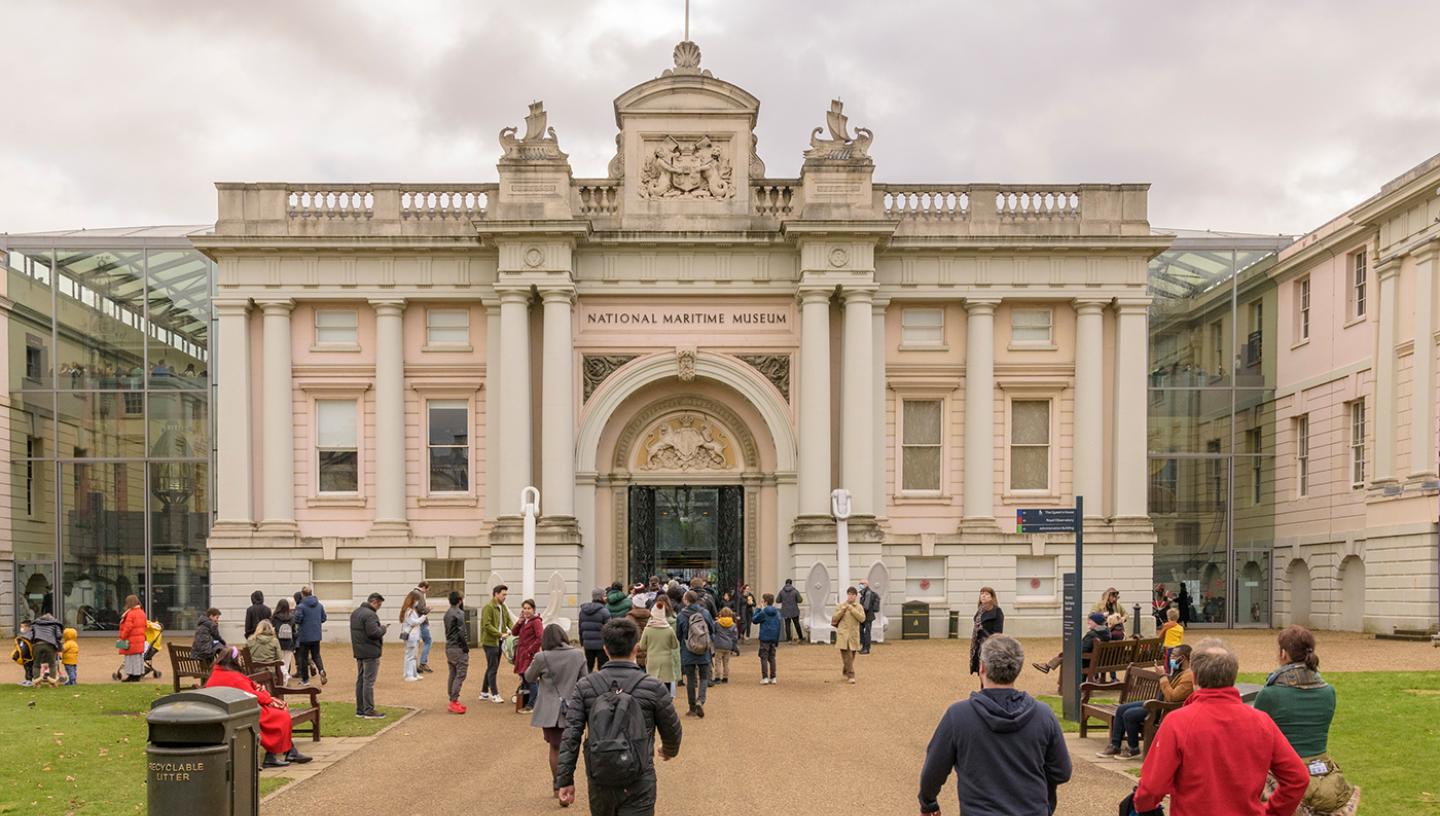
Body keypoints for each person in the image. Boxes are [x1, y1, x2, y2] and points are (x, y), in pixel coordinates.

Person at [1131, 638, 1308, 816]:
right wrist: (1272, 812)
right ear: (1233, 675)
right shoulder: (1262, 722)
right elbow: (1297, 778)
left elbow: (1151, 788)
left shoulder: (1178, 722)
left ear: (1195, 676)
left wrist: (1144, 808)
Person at [917, 635, 1072, 816]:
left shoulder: (959, 715)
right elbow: (1061, 771)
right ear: (1018, 669)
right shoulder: (1043, 714)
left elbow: (934, 770)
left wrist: (928, 804)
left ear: (982, 668)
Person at [555, 617, 683, 814]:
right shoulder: (653, 686)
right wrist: (668, 750)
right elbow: (672, 729)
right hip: (639, 775)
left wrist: (565, 780)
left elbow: (571, 734)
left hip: (600, 776)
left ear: (605, 649)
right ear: (636, 648)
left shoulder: (586, 686)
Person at [1254, 626, 1358, 815]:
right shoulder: (1329, 692)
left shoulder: (1270, 694)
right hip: (1325, 773)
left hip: (1283, 775)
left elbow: (1254, 738)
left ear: (1283, 653)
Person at [205, 646, 313, 768]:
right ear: (233, 661)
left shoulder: (219, 673)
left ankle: (289, 752)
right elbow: (251, 694)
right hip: (241, 712)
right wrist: (267, 699)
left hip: (236, 709)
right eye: (239, 658)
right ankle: (273, 756)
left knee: (279, 714)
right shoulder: (232, 677)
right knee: (280, 716)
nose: (241, 661)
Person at [1097, 644, 1193, 759]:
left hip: (1163, 708)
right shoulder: (1178, 671)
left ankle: (1133, 749)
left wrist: (1162, 676)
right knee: (1121, 708)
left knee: (1129, 714)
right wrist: (1165, 675)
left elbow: (1172, 697)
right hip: (1158, 702)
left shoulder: (1189, 676)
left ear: (1182, 658)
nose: (1170, 659)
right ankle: (1115, 745)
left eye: (1173, 656)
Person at [525, 623, 587, 800]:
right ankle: (568, 783)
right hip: (574, 707)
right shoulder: (578, 655)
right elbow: (585, 680)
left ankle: (557, 786)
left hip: (550, 710)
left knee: (555, 747)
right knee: (571, 747)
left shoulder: (541, 657)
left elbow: (529, 677)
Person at [675, 591, 716, 717]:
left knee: (691, 680)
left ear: (686, 600)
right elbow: (712, 630)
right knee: (704, 677)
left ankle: (692, 708)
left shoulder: (681, 615)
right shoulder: (704, 612)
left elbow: (679, 635)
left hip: (688, 650)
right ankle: (700, 700)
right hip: (703, 649)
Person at [1033, 611, 1111, 676]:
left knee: (1066, 655)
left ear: (1096, 622)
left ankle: (1048, 666)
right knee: (1065, 654)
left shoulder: (1092, 634)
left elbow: (1083, 649)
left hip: (1088, 662)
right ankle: (1048, 666)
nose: (1088, 622)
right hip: (1100, 661)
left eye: (1090, 620)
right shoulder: (1106, 633)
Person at [349, 592, 388, 719]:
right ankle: (369, 710)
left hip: (359, 650)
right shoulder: (370, 615)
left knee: (361, 680)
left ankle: (360, 709)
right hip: (370, 651)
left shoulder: (356, 613)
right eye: (379, 605)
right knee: (368, 681)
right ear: (375, 602)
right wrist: (383, 629)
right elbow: (373, 633)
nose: (379, 607)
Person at [639, 594, 680, 696]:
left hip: (652, 658)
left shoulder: (648, 628)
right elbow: (675, 645)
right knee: (666, 684)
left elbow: (642, 646)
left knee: (652, 684)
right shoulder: (669, 629)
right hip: (666, 659)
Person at [480, 585, 515, 704]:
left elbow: (508, 620)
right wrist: (500, 634)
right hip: (490, 642)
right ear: (496, 594)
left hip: (499, 641)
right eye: (503, 594)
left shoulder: (503, 607)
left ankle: (484, 692)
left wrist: (514, 631)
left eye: (506, 594)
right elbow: (487, 625)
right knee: (493, 668)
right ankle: (495, 694)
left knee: (491, 666)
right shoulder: (488, 607)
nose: (505, 597)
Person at [512, 599, 544, 713]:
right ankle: (530, 701)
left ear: (533, 609)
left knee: (530, 678)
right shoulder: (524, 621)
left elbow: (540, 637)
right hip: (521, 654)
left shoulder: (536, 622)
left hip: (529, 655)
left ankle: (532, 705)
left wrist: (530, 651)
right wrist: (519, 622)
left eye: (528, 608)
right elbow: (514, 632)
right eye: (524, 608)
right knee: (524, 678)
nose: (526, 611)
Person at [292, 586, 328, 685]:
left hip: (304, 636)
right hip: (316, 635)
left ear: (302, 594)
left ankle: (305, 679)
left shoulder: (301, 606)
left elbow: (297, 620)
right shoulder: (319, 605)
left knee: (303, 658)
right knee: (316, 655)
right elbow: (324, 618)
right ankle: (321, 670)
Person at [442, 590, 469, 714]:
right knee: (460, 674)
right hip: (458, 647)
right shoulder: (459, 613)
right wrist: (465, 647)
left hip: (449, 647)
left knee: (452, 673)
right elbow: (462, 633)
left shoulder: (447, 613)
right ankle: (454, 700)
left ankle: (452, 700)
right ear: (459, 600)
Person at [832, 587, 865, 685]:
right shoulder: (841, 606)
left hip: (853, 635)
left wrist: (852, 610)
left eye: (853, 595)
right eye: (849, 594)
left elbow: (862, 618)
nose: (851, 596)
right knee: (847, 655)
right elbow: (834, 618)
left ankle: (846, 670)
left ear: (856, 596)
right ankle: (851, 675)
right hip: (843, 635)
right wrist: (842, 610)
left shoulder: (859, 607)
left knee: (852, 656)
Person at [969, 587, 1004, 676]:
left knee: (987, 673)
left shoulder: (997, 611)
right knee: (981, 672)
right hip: (978, 646)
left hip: (989, 646)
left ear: (992, 597)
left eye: (987, 594)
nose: (983, 596)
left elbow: (998, 633)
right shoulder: (980, 611)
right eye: (982, 593)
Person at [579, 587, 612, 672]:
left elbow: (580, 628)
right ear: (600, 597)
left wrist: (582, 642)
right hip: (601, 645)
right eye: (605, 596)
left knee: (588, 668)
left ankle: (588, 683)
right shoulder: (604, 611)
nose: (606, 598)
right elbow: (609, 629)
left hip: (587, 644)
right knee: (603, 668)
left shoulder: (583, 611)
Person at [115, 595, 147, 682]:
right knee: (138, 657)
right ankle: (137, 674)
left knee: (130, 658)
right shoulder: (142, 612)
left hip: (131, 640)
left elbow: (128, 627)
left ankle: (132, 675)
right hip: (139, 639)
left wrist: (122, 636)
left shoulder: (130, 614)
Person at [752, 593, 782, 685]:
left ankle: (765, 677)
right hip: (773, 637)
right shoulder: (777, 612)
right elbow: (779, 626)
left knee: (764, 657)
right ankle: (773, 677)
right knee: (772, 658)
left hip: (765, 637)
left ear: (765, 602)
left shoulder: (763, 612)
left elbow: (754, 620)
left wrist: (757, 609)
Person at [399, 590, 427, 682]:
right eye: (416, 600)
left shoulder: (409, 610)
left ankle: (413, 673)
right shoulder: (409, 611)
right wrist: (423, 617)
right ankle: (408, 675)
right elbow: (413, 622)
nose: (417, 602)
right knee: (410, 655)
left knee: (413, 655)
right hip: (411, 636)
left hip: (413, 635)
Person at [30, 611, 63, 687]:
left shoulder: (35, 624)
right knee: (52, 664)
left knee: (36, 664)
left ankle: (37, 683)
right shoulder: (55, 624)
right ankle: (52, 683)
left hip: (37, 645)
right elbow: (59, 636)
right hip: (50, 645)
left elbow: (31, 636)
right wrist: (60, 649)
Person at [711, 606, 740, 684]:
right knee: (726, 663)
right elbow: (735, 636)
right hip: (728, 645)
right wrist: (733, 644)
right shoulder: (733, 624)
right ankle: (725, 677)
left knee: (718, 662)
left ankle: (717, 677)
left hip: (719, 645)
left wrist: (714, 640)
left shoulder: (717, 623)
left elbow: (713, 632)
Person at [412, 581, 434, 674]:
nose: (427, 591)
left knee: (415, 644)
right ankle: (423, 663)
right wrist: (428, 609)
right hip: (421, 621)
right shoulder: (419, 595)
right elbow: (421, 609)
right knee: (428, 641)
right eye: (427, 589)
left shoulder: (412, 593)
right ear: (424, 587)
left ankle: (414, 665)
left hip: (414, 621)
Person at [270, 598, 295, 682]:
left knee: (280, 661)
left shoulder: (274, 617)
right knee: (287, 663)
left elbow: (272, 629)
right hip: (289, 642)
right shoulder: (291, 617)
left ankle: (284, 676)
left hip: (278, 642)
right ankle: (285, 680)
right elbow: (294, 631)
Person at [777, 579, 804, 643]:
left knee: (787, 625)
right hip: (794, 610)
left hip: (785, 610)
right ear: (791, 583)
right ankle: (800, 637)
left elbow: (777, 600)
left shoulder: (781, 592)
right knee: (797, 624)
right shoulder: (795, 591)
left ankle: (788, 639)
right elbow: (800, 600)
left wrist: (783, 600)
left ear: (785, 583)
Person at [858, 579, 881, 654]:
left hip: (867, 615)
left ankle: (866, 648)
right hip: (865, 615)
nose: (860, 585)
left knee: (866, 632)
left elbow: (866, 606)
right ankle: (864, 647)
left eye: (861, 583)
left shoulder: (868, 593)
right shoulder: (864, 593)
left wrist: (859, 609)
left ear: (866, 584)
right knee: (862, 631)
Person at [13, 620, 35, 686]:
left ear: (28, 627)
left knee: (30, 667)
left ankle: (30, 680)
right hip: (25, 655)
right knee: (26, 667)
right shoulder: (23, 635)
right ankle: (27, 679)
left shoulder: (30, 634)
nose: (21, 628)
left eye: (23, 626)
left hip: (30, 655)